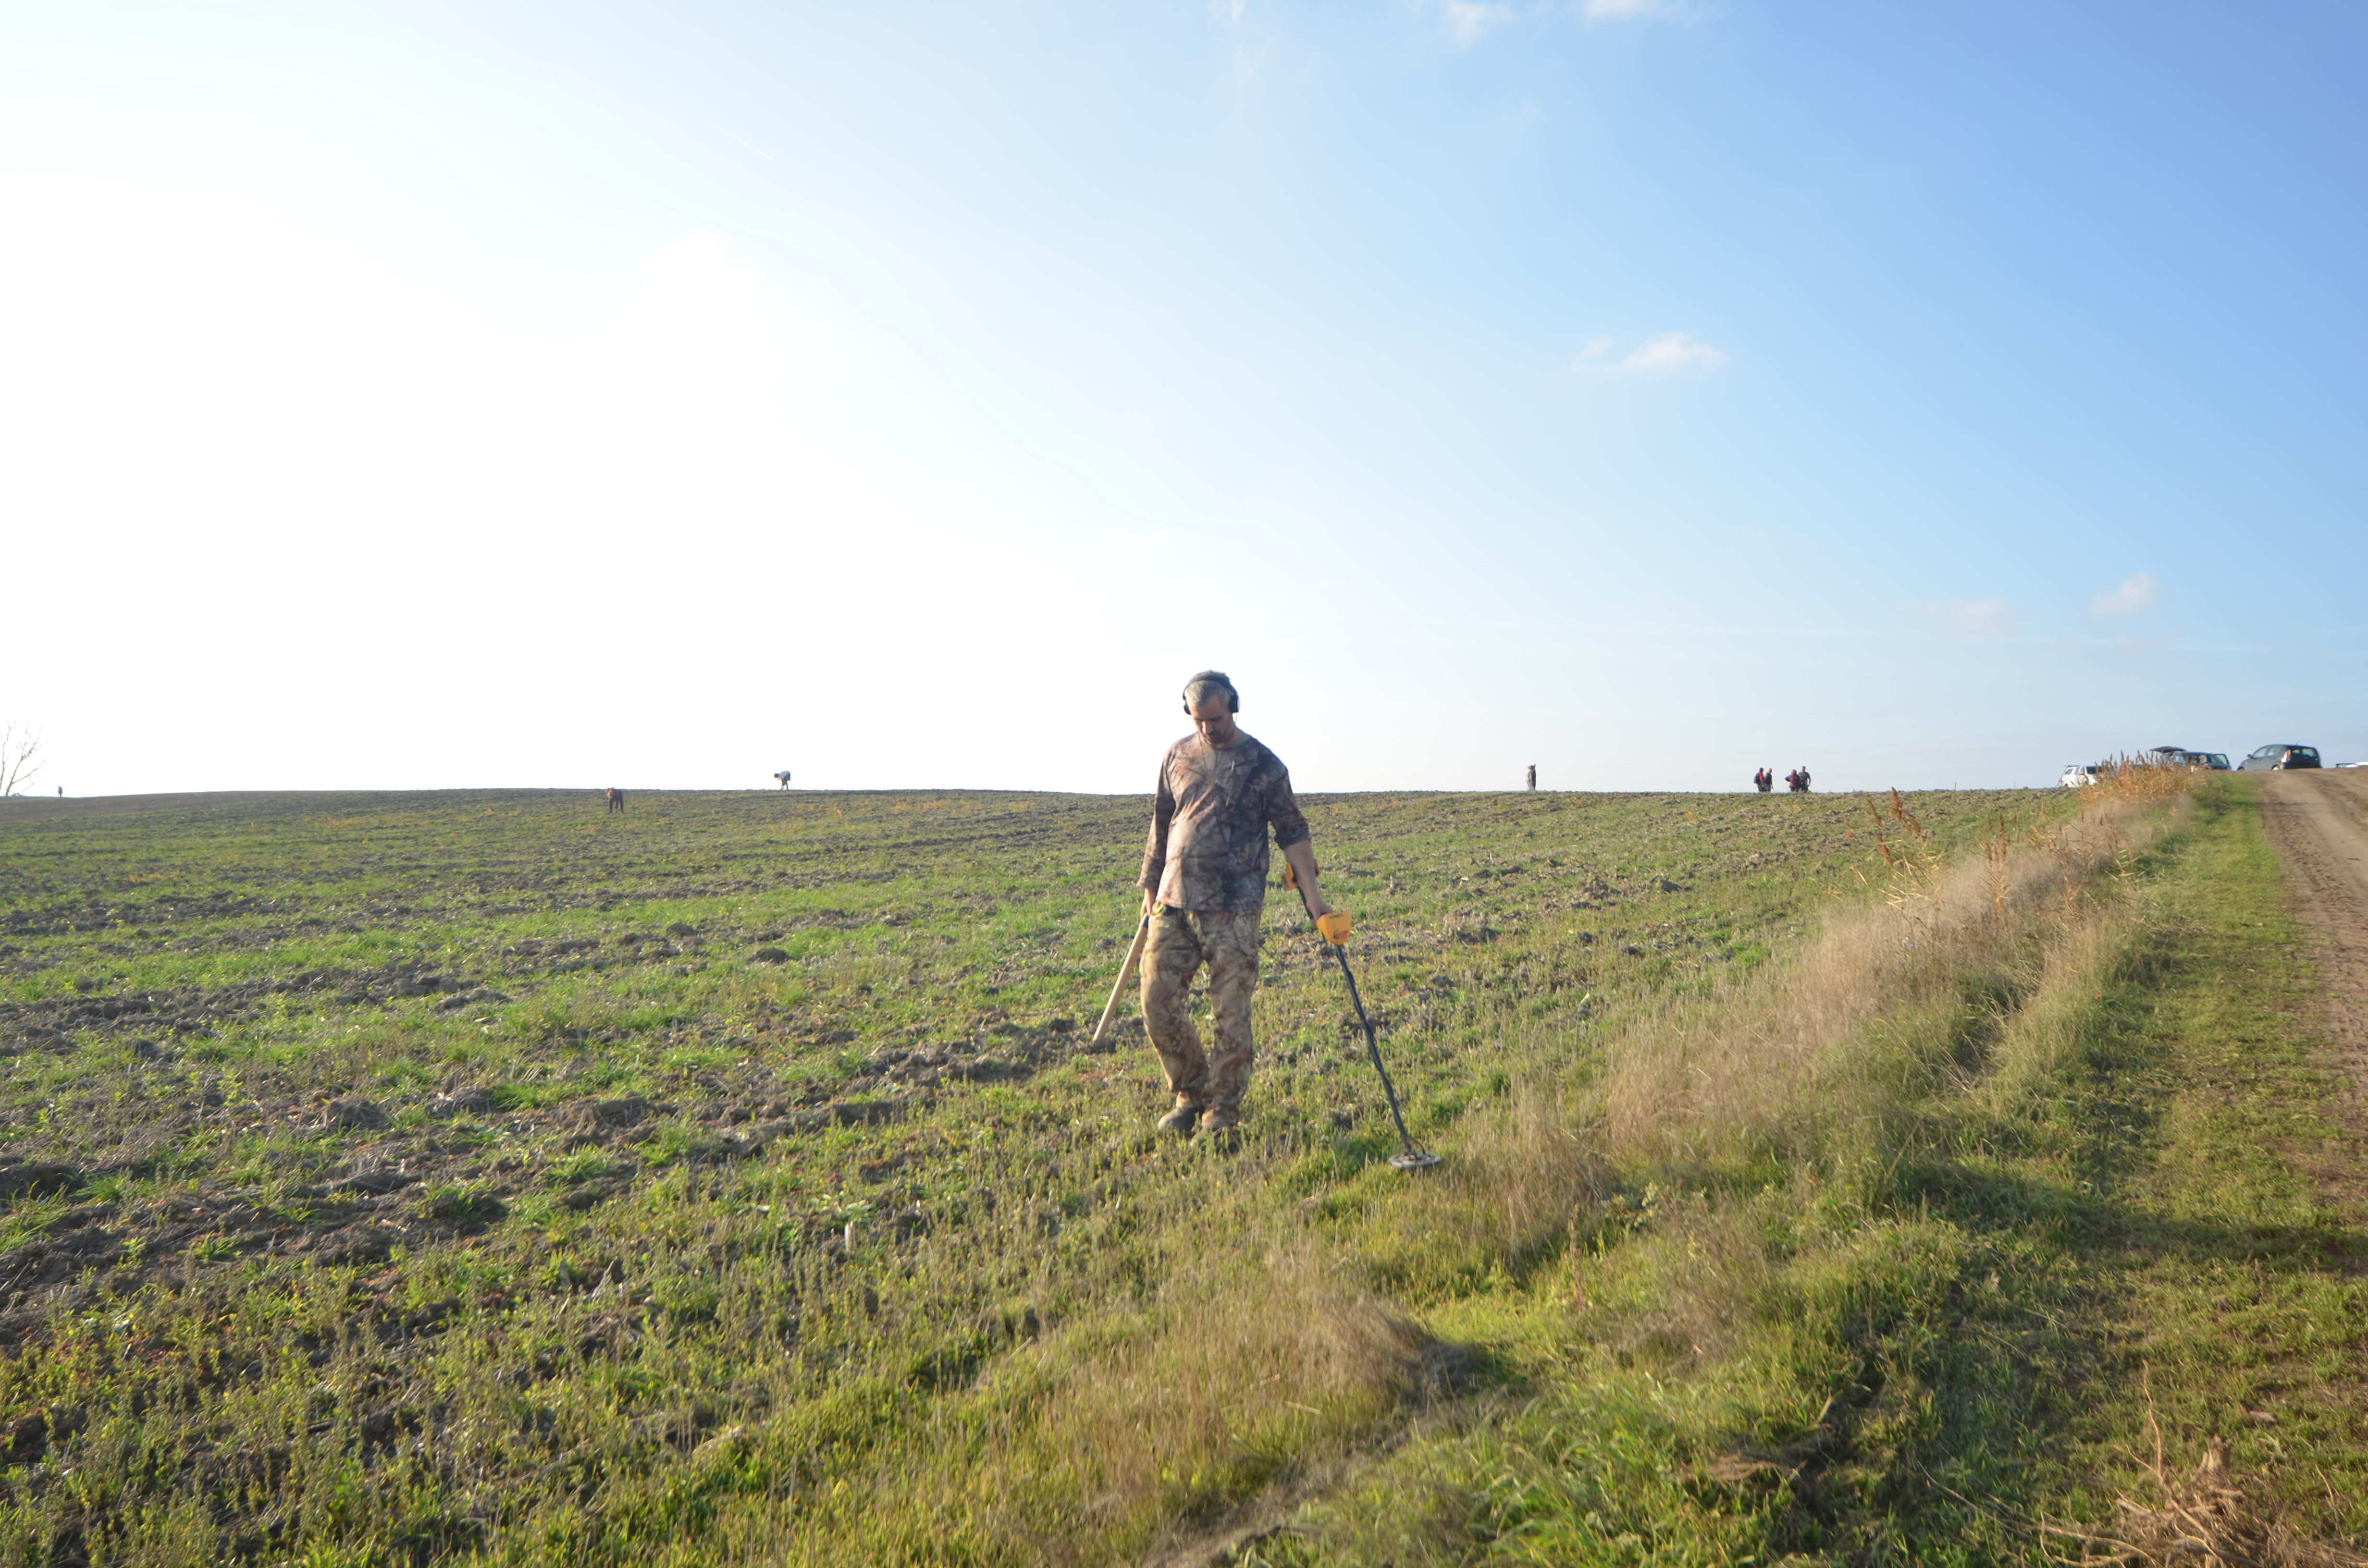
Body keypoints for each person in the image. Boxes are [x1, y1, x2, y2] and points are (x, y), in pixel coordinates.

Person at [1137, 671, 1333, 1144]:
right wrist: (1149, 888)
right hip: (1173, 902)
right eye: (1200, 720)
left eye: (1217, 719)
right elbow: (1162, 822)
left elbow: (1292, 832)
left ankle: (1222, 1112)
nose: (1209, 729)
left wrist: (1313, 896)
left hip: (1234, 909)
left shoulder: (1264, 767)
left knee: (1230, 1017)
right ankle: (1190, 1094)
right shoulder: (1176, 756)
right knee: (1156, 1004)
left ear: (1234, 707)